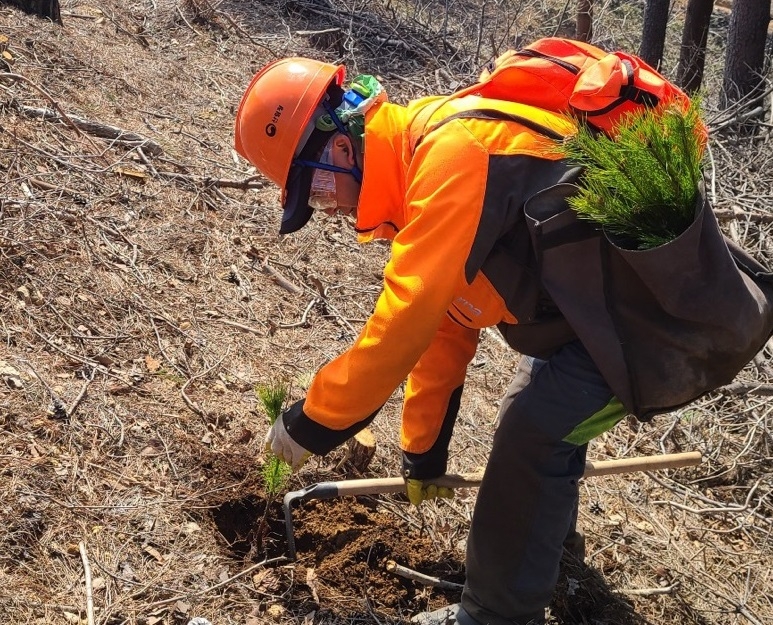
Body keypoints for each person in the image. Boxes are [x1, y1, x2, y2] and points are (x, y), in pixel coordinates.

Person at [233, 58, 641, 625]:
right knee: (543, 419)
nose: (329, 209)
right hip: (589, 326)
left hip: (638, 324)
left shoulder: (453, 153)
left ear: (342, 149)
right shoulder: (417, 181)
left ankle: (494, 614)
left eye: (319, 189)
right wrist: (425, 454)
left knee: (534, 431)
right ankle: (547, 556)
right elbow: (444, 328)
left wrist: (311, 420)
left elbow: (405, 320)